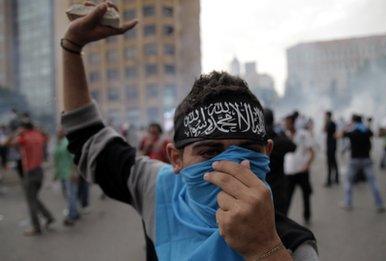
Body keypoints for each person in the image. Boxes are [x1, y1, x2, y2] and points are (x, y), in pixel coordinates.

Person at [60, 2, 318, 260]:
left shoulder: (294, 247)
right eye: (209, 152)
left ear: (267, 152)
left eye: (248, 150)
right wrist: (72, 47)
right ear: (176, 159)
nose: (232, 167)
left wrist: (266, 249)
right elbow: (89, 140)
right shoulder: (159, 189)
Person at [7, 120, 55, 236]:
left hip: (30, 172)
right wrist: (37, 129)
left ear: (23, 128)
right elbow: (47, 136)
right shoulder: (38, 135)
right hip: (40, 171)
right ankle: (49, 217)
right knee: (33, 198)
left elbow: (9, 143)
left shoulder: (24, 137)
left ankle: (36, 227)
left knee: (31, 201)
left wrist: (17, 133)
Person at [337, 115, 385, 212]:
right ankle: (379, 204)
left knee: (348, 182)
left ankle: (348, 203)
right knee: (373, 182)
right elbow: (376, 135)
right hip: (366, 159)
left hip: (354, 160)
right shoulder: (366, 130)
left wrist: (347, 126)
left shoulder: (352, 131)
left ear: (353, 121)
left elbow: (339, 135)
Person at [284, 113, 316, 225]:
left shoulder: (304, 134)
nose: (285, 124)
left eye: (287, 122)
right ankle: (283, 219)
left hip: (302, 172)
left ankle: (307, 216)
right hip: (289, 172)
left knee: (305, 195)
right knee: (287, 197)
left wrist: (307, 165)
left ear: (293, 122)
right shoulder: (285, 134)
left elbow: (312, 152)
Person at [264, 109, 296, 215]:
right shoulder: (280, 139)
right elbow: (293, 146)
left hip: (259, 187)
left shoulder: (255, 140)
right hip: (278, 188)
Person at [54, 128, 80, 226]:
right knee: (68, 195)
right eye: (58, 131)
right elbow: (57, 161)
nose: (58, 133)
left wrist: (73, 172)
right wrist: (55, 175)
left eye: (60, 131)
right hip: (62, 174)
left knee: (71, 195)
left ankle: (71, 216)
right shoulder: (59, 143)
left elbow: (74, 159)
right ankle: (75, 212)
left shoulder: (66, 143)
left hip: (69, 174)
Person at [323, 111, 338, 187]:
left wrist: (325, 122)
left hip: (331, 145)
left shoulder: (330, 123)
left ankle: (330, 180)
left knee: (330, 163)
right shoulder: (332, 123)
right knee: (333, 162)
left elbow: (324, 130)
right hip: (332, 145)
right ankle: (336, 178)